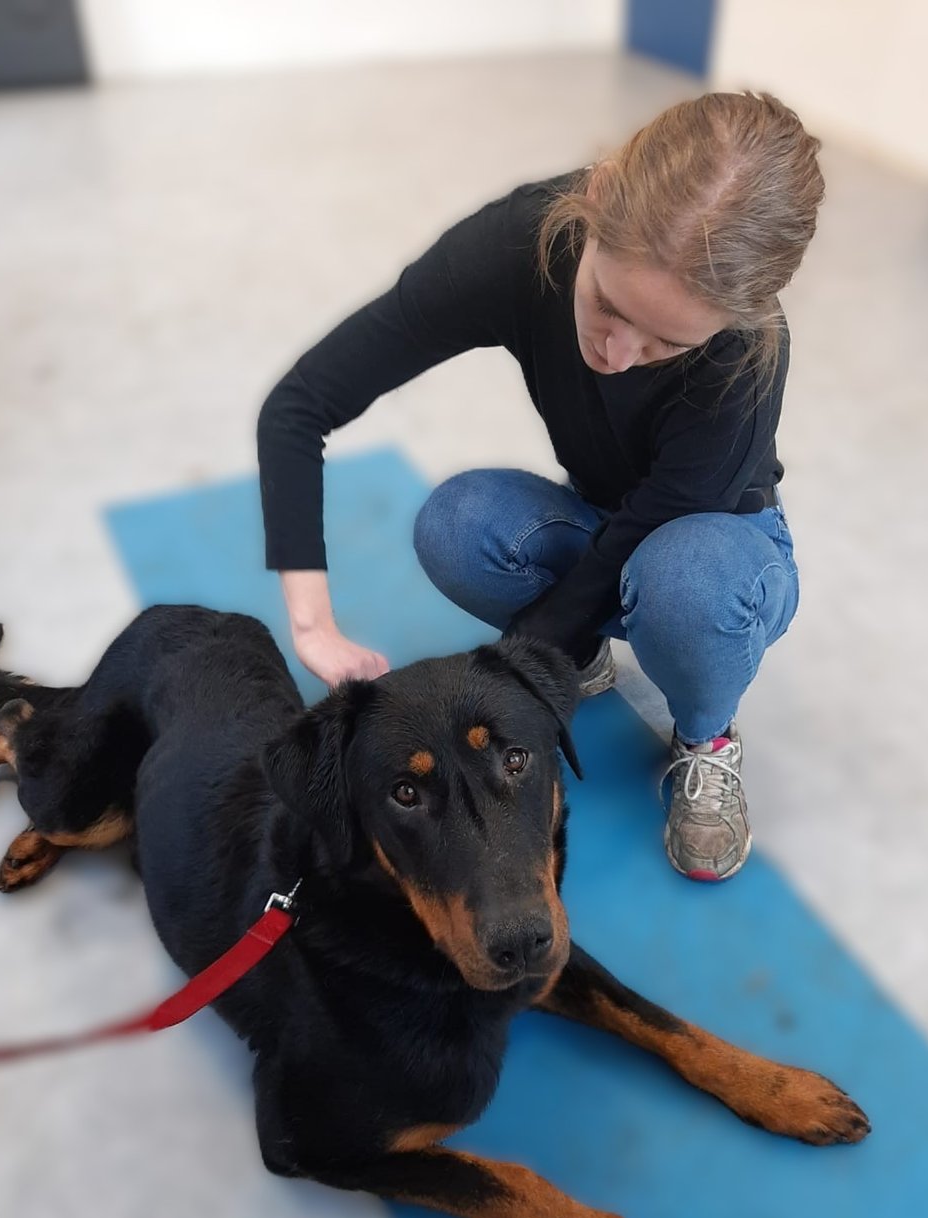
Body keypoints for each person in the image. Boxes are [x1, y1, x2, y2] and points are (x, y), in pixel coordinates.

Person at [257, 91, 824, 882]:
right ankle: (583, 654)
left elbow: (646, 528)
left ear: (737, 319)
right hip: (597, 513)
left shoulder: (746, 356)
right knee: (456, 522)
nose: (620, 352)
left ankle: (708, 735)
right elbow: (301, 404)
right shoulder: (519, 243)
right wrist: (312, 624)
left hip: (717, 545)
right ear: (592, 206)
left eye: (666, 343)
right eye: (608, 306)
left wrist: (517, 666)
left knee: (683, 580)